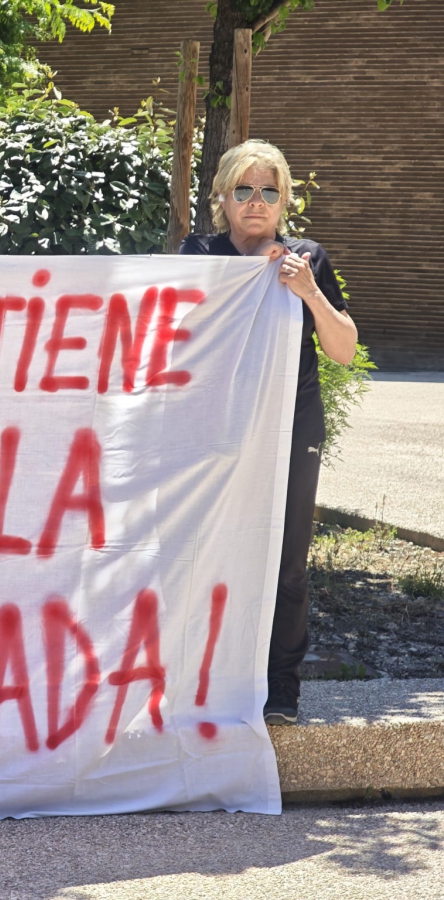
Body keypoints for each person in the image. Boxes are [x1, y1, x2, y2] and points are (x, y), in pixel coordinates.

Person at [180, 139, 358, 726]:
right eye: (244, 190)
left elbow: (344, 351)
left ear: (284, 200)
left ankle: (280, 690)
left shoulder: (307, 258)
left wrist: (308, 292)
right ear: (223, 198)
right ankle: (203, 677)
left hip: (291, 423)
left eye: (269, 190)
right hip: (218, 424)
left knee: (286, 562)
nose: (256, 202)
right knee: (206, 551)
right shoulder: (199, 253)